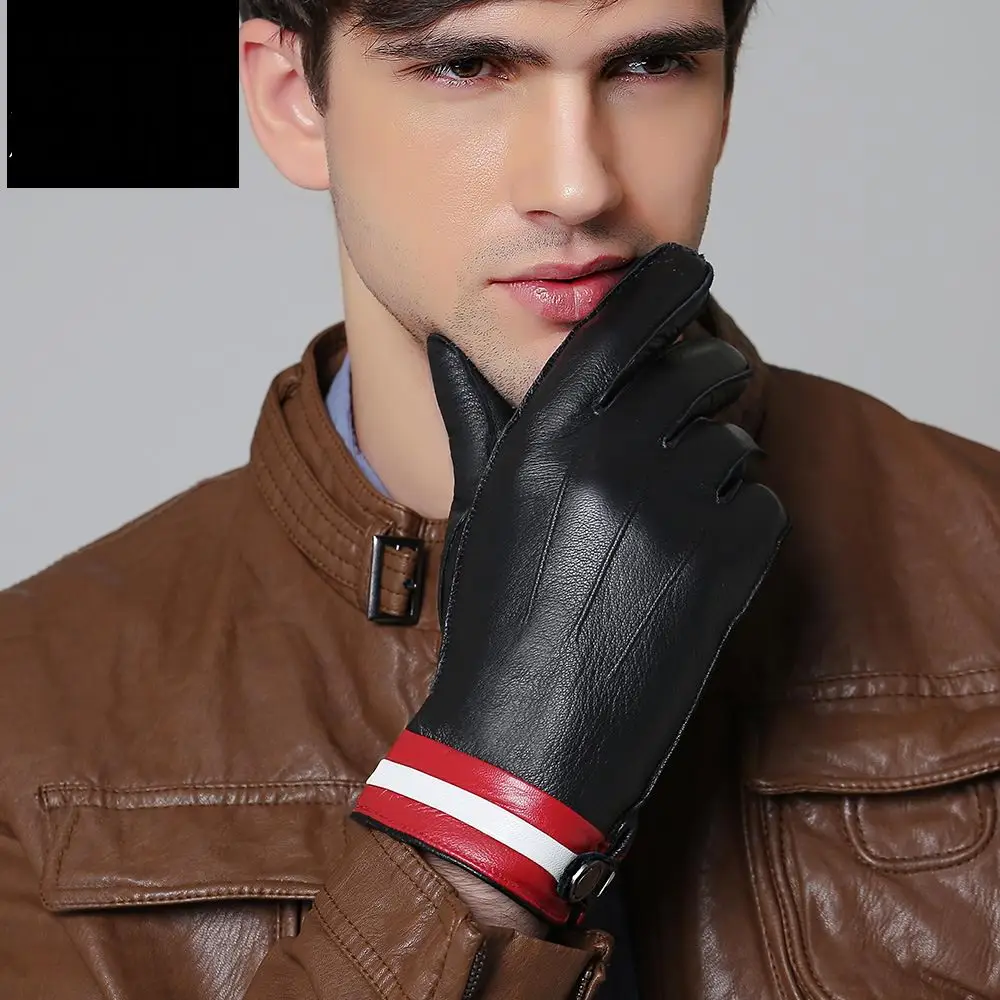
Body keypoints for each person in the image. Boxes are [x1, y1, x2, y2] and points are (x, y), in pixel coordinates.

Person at [1, 1, 998, 998]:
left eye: (651, 63)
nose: (577, 184)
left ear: (726, 93)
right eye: (468, 67)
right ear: (292, 97)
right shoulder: (28, 716)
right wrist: (493, 802)